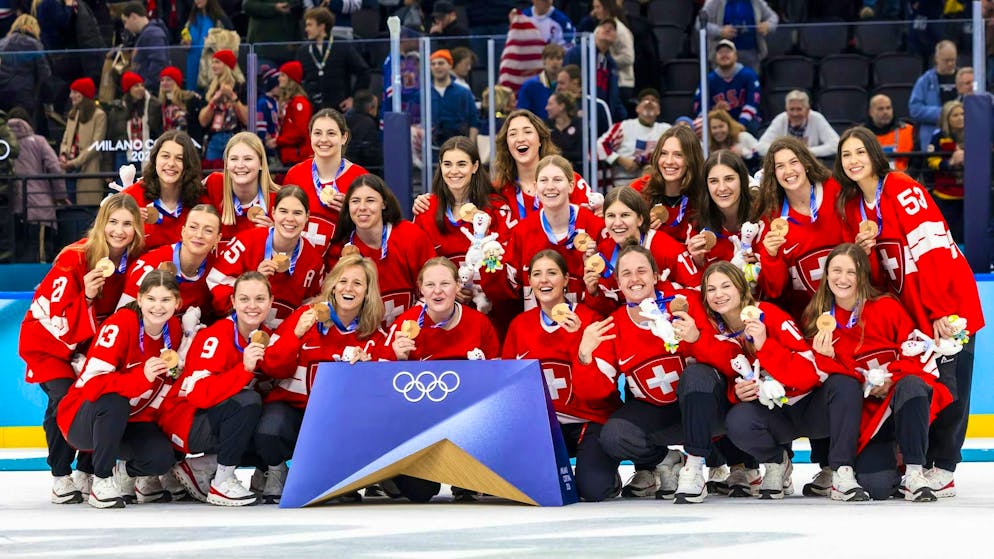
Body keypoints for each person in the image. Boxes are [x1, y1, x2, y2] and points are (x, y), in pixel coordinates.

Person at [836, 126, 984, 497]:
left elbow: (932, 248)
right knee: (929, 385)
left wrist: (940, 310)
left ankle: (946, 467)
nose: (853, 161)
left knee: (951, 386)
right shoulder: (855, 206)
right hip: (915, 315)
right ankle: (919, 460)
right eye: (845, 155)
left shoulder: (901, 186)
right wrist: (865, 250)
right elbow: (875, 276)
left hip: (947, 304)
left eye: (859, 153)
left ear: (873, 154)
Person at [574, 244, 740, 503]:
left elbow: (730, 359)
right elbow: (594, 393)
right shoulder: (614, 325)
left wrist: (697, 339)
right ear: (618, 282)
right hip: (659, 413)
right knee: (614, 434)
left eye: (642, 271)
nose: (635, 279)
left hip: (706, 409)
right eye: (626, 273)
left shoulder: (684, 303)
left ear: (656, 275)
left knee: (697, 374)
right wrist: (585, 356)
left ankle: (695, 468)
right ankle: (669, 460)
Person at [18, 194, 144, 505]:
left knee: (96, 395)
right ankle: (60, 475)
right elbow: (54, 314)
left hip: (88, 345)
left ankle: (86, 470)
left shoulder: (136, 262)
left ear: (136, 230)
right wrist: (86, 296)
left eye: (127, 224)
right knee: (63, 398)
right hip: (48, 343)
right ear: (101, 225)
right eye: (113, 222)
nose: (119, 230)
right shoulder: (74, 257)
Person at [801, 243, 952, 502]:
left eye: (852, 272)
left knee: (913, 384)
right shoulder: (817, 320)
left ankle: (915, 471)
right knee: (878, 487)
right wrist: (824, 359)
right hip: (865, 420)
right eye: (836, 270)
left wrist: (892, 377)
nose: (843, 278)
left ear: (863, 276)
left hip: (898, 404)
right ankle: (882, 461)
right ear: (826, 275)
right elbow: (821, 383)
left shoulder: (886, 307)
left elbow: (913, 351)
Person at [712, 261, 867, 501]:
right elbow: (728, 376)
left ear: (742, 288)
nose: (719, 294)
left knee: (845, 385)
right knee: (738, 420)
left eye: (726, 286)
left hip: (809, 405)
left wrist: (765, 345)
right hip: (775, 415)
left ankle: (842, 470)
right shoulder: (717, 331)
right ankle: (776, 463)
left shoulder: (769, 315)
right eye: (711, 289)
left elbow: (808, 373)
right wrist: (737, 392)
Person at [257, 255, 385, 504]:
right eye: (343, 281)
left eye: (357, 283)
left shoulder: (373, 333)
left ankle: (341, 475)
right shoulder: (306, 316)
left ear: (368, 291)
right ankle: (277, 471)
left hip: (336, 420)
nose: (348, 288)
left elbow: (382, 392)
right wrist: (295, 335)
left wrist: (366, 369)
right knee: (270, 430)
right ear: (333, 286)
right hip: (294, 410)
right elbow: (272, 366)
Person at [56, 270, 183, 508]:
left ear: (177, 303)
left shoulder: (173, 329)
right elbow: (93, 385)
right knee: (114, 401)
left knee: (161, 458)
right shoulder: (120, 324)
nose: (158, 307)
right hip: (82, 419)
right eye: (151, 299)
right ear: (140, 298)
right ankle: (101, 479)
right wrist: (141, 377)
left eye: (166, 300)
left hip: (130, 421)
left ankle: (123, 471)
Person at [503, 250, 621, 502]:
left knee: (592, 490)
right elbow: (509, 390)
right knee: (533, 489)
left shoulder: (591, 319)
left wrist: (579, 340)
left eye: (552, 273)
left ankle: (606, 472)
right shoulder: (519, 326)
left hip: (589, 419)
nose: (544, 280)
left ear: (566, 279)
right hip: (545, 426)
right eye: (537, 274)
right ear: (530, 282)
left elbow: (600, 390)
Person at [383, 257, 500, 502]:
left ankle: (468, 475)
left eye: (445, 283)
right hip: (419, 426)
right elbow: (383, 385)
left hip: (468, 423)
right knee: (420, 493)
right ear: (420, 289)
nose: (437, 291)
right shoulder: (405, 324)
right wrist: (397, 359)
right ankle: (391, 472)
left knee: (472, 485)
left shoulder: (479, 324)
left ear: (458, 286)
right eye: (430, 285)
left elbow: (498, 380)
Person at [160, 271, 272, 507]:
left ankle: (201, 467)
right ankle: (222, 482)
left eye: (260, 299)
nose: (252, 306)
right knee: (249, 401)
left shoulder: (264, 337)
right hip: (184, 420)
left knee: (270, 423)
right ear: (232, 302)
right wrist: (244, 369)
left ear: (271, 302)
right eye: (244, 299)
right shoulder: (216, 336)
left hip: (210, 419)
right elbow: (198, 394)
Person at [753, 136, 845, 321]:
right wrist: (771, 256)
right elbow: (774, 289)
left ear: (806, 163)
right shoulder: (770, 219)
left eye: (793, 162)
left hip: (851, 306)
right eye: (780, 166)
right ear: (773, 174)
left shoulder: (834, 190)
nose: (788, 171)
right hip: (806, 319)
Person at [207, 186, 325, 326]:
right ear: (273, 213)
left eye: (297, 213)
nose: (290, 218)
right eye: (283, 211)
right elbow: (215, 284)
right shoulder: (246, 242)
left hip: (286, 338)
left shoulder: (313, 261)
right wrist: (253, 282)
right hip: (239, 332)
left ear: (307, 216)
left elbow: (313, 305)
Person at [328, 174, 436, 327]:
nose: (362, 207)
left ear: (384, 203)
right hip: (365, 339)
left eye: (370, 200)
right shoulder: (339, 250)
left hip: (415, 330)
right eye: (355, 201)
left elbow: (434, 287)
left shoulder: (410, 235)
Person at [505, 155, 604, 313]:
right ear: (536, 187)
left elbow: (609, 291)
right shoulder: (522, 231)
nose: (550, 187)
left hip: (587, 325)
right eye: (544, 181)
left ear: (571, 186)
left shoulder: (594, 226)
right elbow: (510, 290)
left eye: (557, 180)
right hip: (538, 329)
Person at [583, 186, 700, 317]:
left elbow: (697, 290)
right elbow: (607, 311)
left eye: (625, 215)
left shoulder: (665, 246)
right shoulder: (604, 253)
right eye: (610, 216)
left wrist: (658, 294)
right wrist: (594, 292)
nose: (617, 223)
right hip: (631, 324)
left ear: (640, 219)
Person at [282, 108, 370, 255]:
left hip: (343, 267)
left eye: (331, 133)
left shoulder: (360, 178)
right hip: (301, 265)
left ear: (344, 137)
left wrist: (351, 214)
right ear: (310, 136)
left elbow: (373, 230)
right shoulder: (295, 175)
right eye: (317, 133)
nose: (323, 140)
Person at [492, 109, 593, 230]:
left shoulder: (570, 180)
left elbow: (592, 226)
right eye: (513, 134)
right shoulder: (498, 190)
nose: (520, 139)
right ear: (506, 144)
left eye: (527, 132)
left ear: (540, 140)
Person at [118, 204, 221, 320]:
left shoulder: (217, 269)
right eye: (193, 227)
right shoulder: (150, 265)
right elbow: (120, 320)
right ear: (183, 231)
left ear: (218, 238)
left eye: (208, 230)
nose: (199, 235)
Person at [120, 130, 205, 250]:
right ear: (155, 159)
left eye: (179, 159)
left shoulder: (200, 200)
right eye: (165, 156)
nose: (171, 163)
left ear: (188, 164)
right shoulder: (130, 197)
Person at [629, 125, 705, 242]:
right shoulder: (639, 189)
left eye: (678, 155)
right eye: (663, 153)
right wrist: (639, 230)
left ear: (692, 159)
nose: (669, 161)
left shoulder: (703, 195)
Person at [686, 150, 760, 269]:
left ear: (742, 180)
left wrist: (763, 264)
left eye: (729, 179)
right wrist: (698, 262)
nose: (722, 188)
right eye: (714, 181)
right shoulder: (697, 226)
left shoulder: (762, 218)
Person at [8, 112, 68, 261]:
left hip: (11, 209)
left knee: (17, 255)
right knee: (41, 255)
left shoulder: (5, 145)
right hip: (40, 209)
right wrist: (61, 196)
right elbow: (55, 168)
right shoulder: (39, 141)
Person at [203, 131, 279, 244]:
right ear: (227, 164)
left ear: (261, 163)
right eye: (234, 159)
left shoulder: (277, 201)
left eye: (248, 159)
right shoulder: (215, 183)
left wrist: (277, 235)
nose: (240, 165)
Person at [297, 7, 370, 112]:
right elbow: (297, 79)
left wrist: (353, 98)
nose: (306, 29)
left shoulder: (342, 46)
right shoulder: (303, 51)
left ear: (321, 26)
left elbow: (364, 72)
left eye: (310, 25)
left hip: (339, 110)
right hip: (312, 110)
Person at [597, 88, 670, 188]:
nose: (649, 102)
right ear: (637, 108)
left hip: (655, 184)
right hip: (623, 184)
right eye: (645, 100)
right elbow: (600, 144)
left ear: (658, 110)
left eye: (654, 100)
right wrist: (619, 160)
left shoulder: (666, 130)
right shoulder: (623, 127)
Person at [564, 19, 626, 133]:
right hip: (578, 112)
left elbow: (613, 95)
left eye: (612, 29)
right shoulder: (577, 53)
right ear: (596, 32)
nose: (608, 29)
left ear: (616, 38)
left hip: (601, 116)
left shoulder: (611, 64)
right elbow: (565, 81)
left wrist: (624, 118)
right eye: (604, 26)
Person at [693, 39, 761, 135]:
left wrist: (740, 124)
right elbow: (699, 107)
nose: (724, 55)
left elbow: (752, 103)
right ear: (715, 57)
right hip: (717, 122)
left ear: (736, 56)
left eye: (728, 51)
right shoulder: (708, 79)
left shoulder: (748, 75)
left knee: (753, 124)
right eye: (720, 52)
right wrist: (715, 110)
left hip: (743, 121)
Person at [59, 78, 107, 205]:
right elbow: (66, 139)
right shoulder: (73, 114)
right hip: (69, 168)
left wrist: (75, 163)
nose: (71, 96)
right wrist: (63, 155)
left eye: (75, 92)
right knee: (70, 206)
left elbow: (96, 144)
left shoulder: (99, 115)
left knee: (86, 208)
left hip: (87, 167)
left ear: (84, 94)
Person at [199, 50, 250, 167]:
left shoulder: (241, 87)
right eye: (212, 62)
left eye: (217, 62)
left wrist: (233, 97)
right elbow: (203, 121)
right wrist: (213, 101)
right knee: (212, 173)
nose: (213, 66)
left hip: (235, 137)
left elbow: (247, 119)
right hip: (214, 139)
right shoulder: (210, 89)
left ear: (226, 65)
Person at [699, 0, 779, 72]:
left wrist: (768, 26)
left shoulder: (757, 2)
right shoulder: (714, 2)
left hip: (751, 54)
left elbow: (773, 17)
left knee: (749, 84)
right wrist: (720, 31)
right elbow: (699, 23)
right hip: (723, 55)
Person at [0, 14, 51, 123]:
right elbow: (44, 74)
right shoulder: (34, 45)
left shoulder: (2, 43)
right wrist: (48, 98)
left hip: (2, 94)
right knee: (22, 130)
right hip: (24, 96)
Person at [106, 72, 163, 169]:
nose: (141, 88)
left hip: (146, 152)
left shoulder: (152, 105)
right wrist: (107, 167)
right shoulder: (117, 109)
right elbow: (110, 139)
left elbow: (158, 131)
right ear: (129, 89)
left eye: (142, 85)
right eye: (136, 86)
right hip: (124, 155)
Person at [757, 90, 838, 158]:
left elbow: (835, 144)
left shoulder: (817, 118)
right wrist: (786, 153)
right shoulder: (780, 119)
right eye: (791, 109)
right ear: (786, 110)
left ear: (807, 110)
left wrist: (806, 152)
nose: (795, 114)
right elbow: (761, 147)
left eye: (799, 109)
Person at [909, 40, 959, 150]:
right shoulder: (925, 81)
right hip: (932, 136)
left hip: (960, 136)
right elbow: (915, 109)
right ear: (937, 59)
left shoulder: (962, 79)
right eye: (946, 60)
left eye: (953, 60)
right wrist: (944, 113)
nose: (950, 63)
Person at [926, 100, 964, 242]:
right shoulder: (938, 138)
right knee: (950, 236)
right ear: (947, 119)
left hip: (970, 196)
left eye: (962, 114)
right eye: (955, 115)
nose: (960, 117)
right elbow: (931, 161)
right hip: (945, 195)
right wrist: (951, 163)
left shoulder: (973, 135)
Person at [180, 0, 233, 94]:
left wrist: (214, 40)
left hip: (211, 65)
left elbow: (231, 39)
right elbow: (184, 40)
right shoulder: (192, 18)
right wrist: (185, 43)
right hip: (192, 64)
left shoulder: (219, 18)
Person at [429, 49, 480, 147]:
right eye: (433, 64)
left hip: (459, 145)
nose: (437, 67)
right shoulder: (424, 94)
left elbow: (474, 121)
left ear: (450, 65)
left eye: (441, 63)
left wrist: (470, 147)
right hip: (430, 148)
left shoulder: (463, 92)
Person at [269, 61, 313, 167]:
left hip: (298, 157)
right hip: (289, 156)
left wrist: (278, 141)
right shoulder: (291, 102)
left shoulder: (300, 103)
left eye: (283, 75)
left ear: (291, 79)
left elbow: (300, 132)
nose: (279, 78)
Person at [864, 94, 915, 172]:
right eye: (880, 109)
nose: (885, 112)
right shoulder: (860, 134)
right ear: (871, 112)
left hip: (903, 180)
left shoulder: (908, 130)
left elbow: (916, 163)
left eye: (888, 108)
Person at [517, 44, 565, 120]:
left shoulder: (567, 85)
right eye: (551, 58)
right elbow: (522, 113)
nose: (555, 62)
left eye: (558, 58)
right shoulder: (530, 85)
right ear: (544, 60)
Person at [158, 67, 205, 140]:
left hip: (188, 141)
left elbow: (197, 124)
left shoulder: (189, 98)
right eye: (162, 80)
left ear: (176, 82)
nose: (164, 83)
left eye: (168, 80)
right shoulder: (162, 102)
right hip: (169, 141)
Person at [344, 89, 382, 171]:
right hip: (364, 169)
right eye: (376, 106)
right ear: (369, 107)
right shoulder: (368, 123)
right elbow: (371, 155)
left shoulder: (342, 119)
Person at [546, 92, 583, 172]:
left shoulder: (579, 125)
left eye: (550, 104)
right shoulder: (546, 127)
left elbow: (582, 153)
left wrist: (558, 155)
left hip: (578, 172)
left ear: (561, 106)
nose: (547, 108)